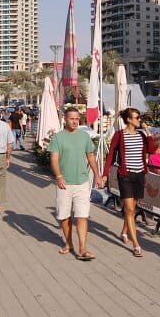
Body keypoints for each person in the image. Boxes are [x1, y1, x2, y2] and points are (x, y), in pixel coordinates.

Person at [47, 107, 100, 260]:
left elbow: (90, 156)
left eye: (77, 119)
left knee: (82, 216)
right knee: (64, 216)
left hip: (82, 182)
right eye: (72, 119)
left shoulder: (84, 136)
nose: (75, 121)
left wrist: (97, 175)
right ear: (65, 119)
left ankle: (83, 248)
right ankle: (69, 243)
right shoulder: (58, 138)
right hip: (64, 183)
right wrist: (58, 176)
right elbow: (54, 159)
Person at [103, 107, 156, 257]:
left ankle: (124, 232)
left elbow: (152, 150)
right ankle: (136, 245)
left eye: (139, 117)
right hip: (125, 176)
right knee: (130, 209)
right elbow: (110, 155)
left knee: (132, 209)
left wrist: (148, 131)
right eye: (137, 117)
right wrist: (105, 174)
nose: (140, 120)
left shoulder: (141, 135)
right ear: (129, 120)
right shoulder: (119, 135)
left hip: (139, 175)